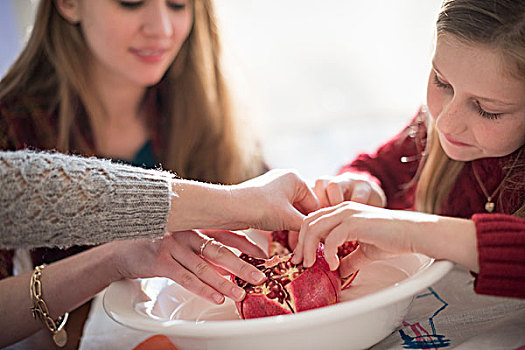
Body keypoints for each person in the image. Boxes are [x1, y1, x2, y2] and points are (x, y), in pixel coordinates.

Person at [0, 0, 263, 347]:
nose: (163, 29)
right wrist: (111, 261)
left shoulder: (206, 109)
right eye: (130, 2)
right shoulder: (11, 129)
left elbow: (264, 224)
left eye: (178, 5)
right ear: (68, 4)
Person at [292, 0, 525, 300]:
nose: (447, 123)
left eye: (487, 110)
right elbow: (379, 169)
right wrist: (364, 186)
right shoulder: (428, 128)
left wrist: (412, 232)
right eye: (442, 83)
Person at [0, 149, 319, 347]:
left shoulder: (214, 114)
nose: (161, 34)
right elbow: (11, 192)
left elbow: (273, 211)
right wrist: (231, 202)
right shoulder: (11, 122)